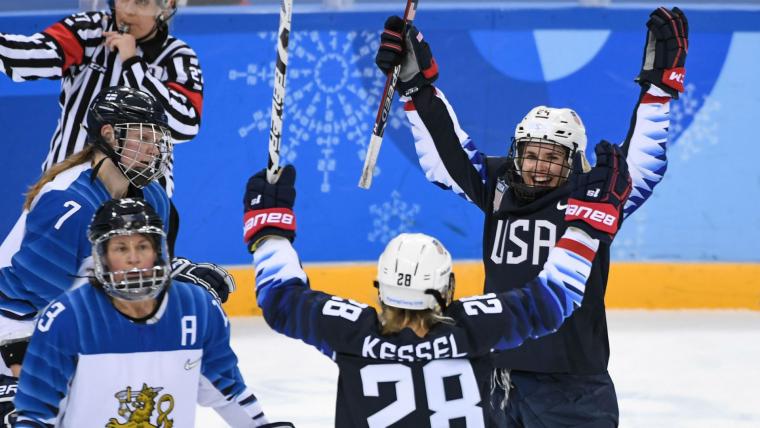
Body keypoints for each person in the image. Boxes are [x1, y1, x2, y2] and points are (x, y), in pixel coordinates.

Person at [374, 6, 688, 426]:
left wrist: (659, 91)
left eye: (553, 157)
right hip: (495, 381)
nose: (539, 166)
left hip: (573, 390)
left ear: (574, 161)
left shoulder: (593, 198)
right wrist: (417, 89)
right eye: (531, 154)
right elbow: (447, 158)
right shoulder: (502, 187)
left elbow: (641, 167)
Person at [241, 151, 630, 427]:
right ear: (446, 289)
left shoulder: (352, 335)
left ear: (381, 289)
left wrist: (268, 230)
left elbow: (280, 300)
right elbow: (553, 298)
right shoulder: (474, 330)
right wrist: (586, 226)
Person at [0, 86, 231, 420]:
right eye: (145, 137)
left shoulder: (153, 198)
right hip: (19, 336)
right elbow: (29, 297)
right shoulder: (69, 203)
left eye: (158, 140)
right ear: (109, 134)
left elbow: (138, 277)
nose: (154, 150)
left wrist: (180, 280)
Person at [13, 198, 292, 428]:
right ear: (102, 257)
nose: (133, 257)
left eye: (142, 246)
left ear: (158, 252)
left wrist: (261, 426)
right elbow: (35, 414)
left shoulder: (196, 308)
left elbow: (226, 391)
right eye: (121, 247)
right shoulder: (67, 318)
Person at [0, 0, 203, 198]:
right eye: (123, 0)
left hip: (140, 201)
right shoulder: (88, 31)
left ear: (166, 7)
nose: (128, 11)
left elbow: (185, 126)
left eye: (141, 3)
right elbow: (23, 60)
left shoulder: (177, 56)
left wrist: (132, 63)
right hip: (66, 188)